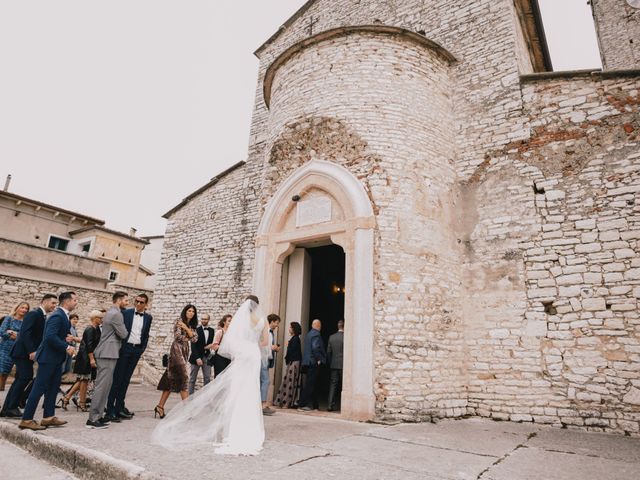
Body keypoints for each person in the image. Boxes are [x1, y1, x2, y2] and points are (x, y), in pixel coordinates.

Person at [151, 295, 269, 455]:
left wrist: (241, 349)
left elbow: (232, 342)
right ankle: (251, 426)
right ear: (258, 305)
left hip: (243, 355)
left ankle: (235, 427)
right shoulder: (262, 319)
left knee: (238, 388)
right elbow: (265, 343)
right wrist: (253, 347)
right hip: (253, 354)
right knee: (251, 388)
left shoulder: (241, 319)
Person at [19, 292, 77, 431]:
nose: (76, 302)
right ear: (67, 301)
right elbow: (50, 337)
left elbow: (55, 335)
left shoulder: (63, 315)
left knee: (52, 388)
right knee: (38, 388)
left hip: (56, 358)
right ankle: (26, 419)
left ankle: (48, 417)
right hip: (48, 358)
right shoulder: (57, 315)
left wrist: (65, 338)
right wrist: (66, 346)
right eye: (74, 300)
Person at [1, 295, 57, 418]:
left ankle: (7, 409)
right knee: (25, 377)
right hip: (23, 352)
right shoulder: (34, 314)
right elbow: (25, 333)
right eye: (53, 303)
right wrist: (31, 351)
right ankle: (11, 407)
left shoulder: (41, 316)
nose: (54, 306)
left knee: (20, 379)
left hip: (25, 352)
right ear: (44, 302)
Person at [106, 293, 153, 419]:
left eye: (141, 302)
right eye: (136, 301)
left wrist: (142, 349)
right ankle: (109, 409)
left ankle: (119, 408)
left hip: (136, 351)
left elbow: (146, 334)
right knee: (117, 380)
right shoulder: (125, 313)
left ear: (146, 304)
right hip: (124, 349)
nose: (138, 304)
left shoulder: (148, 318)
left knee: (126, 380)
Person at [87, 291, 129, 429]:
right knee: (101, 386)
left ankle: (98, 415)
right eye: (126, 300)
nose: (127, 303)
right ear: (119, 300)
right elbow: (123, 333)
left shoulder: (111, 312)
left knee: (105, 386)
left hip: (108, 352)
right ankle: (93, 419)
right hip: (107, 353)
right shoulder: (116, 314)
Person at [154, 304, 198, 418]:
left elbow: (195, 339)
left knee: (170, 381)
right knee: (184, 378)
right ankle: (187, 411)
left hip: (185, 352)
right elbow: (178, 337)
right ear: (185, 311)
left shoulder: (192, 325)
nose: (191, 313)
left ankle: (160, 406)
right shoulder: (179, 321)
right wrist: (189, 334)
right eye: (189, 310)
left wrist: (187, 329)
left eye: (193, 311)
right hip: (176, 352)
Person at [61, 310, 104, 412]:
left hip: (89, 356)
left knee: (82, 380)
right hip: (85, 357)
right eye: (100, 318)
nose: (102, 319)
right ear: (95, 318)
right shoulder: (90, 329)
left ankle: (66, 398)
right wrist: (92, 359)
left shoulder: (96, 328)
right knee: (84, 380)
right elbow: (89, 346)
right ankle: (82, 403)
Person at [0, 301, 30, 391]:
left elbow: (25, 336)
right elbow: (2, 332)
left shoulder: (26, 321)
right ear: (17, 308)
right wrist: (11, 334)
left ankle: (2, 388)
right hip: (5, 349)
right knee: (2, 371)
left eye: (26, 309)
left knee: (7, 372)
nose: (24, 310)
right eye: (22, 307)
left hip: (18, 350)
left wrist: (13, 332)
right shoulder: (9, 318)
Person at [298, 319, 326, 412]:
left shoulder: (309, 334)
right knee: (310, 384)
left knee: (313, 384)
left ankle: (315, 405)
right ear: (318, 325)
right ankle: (301, 405)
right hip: (313, 362)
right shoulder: (316, 334)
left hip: (307, 362)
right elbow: (315, 348)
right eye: (320, 325)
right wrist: (318, 359)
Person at [274, 321, 302, 409]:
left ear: (294, 329)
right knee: (289, 382)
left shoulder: (295, 339)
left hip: (294, 363)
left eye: (290, 327)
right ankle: (285, 402)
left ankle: (287, 403)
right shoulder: (294, 338)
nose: (289, 329)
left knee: (290, 382)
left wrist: (288, 346)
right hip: (293, 362)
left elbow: (292, 352)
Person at [188, 313, 215, 395]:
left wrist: (211, 346)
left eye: (205, 319)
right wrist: (197, 358)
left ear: (208, 320)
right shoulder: (196, 330)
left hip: (207, 357)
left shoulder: (212, 330)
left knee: (207, 378)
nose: (203, 320)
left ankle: (205, 398)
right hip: (196, 357)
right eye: (202, 319)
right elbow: (193, 345)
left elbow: (210, 343)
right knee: (192, 378)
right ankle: (190, 397)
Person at [260, 313, 280, 416]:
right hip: (262, 359)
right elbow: (262, 344)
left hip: (266, 360)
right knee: (266, 381)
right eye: (276, 323)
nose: (277, 325)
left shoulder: (270, 332)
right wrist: (271, 348)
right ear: (271, 321)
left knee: (263, 381)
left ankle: (261, 404)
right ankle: (263, 405)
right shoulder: (266, 331)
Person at [327, 320, 345, 412]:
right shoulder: (346, 337)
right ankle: (344, 406)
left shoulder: (331, 337)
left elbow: (328, 352)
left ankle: (329, 405)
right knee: (344, 386)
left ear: (338, 326)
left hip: (334, 364)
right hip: (344, 366)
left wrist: (331, 362)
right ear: (344, 326)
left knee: (333, 385)